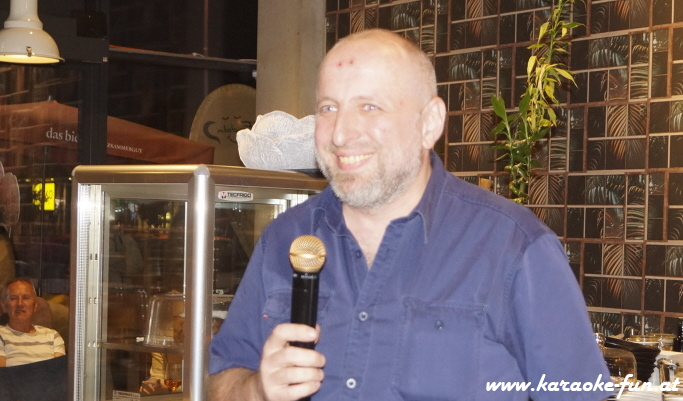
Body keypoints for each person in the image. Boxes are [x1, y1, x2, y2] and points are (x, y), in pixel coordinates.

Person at [208, 29, 612, 400]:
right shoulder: (285, 238)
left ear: (429, 123)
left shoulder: (515, 248)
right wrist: (256, 390)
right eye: (328, 107)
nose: (341, 133)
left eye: (369, 106)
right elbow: (220, 380)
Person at [0, 278, 65, 367]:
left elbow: (59, 372)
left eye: (25, 298)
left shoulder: (53, 336)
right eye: (13, 298)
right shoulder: (1, 335)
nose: (20, 304)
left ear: (35, 305)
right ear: (4, 306)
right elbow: (2, 374)